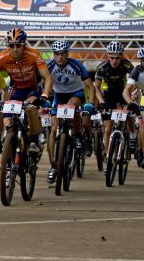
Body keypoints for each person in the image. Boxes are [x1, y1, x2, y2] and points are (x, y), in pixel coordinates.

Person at [0, 28, 53, 169]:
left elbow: (48, 77)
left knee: (31, 108)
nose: (15, 49)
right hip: (16, 89)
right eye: (11, 45)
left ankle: (33, 141)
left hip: (33, 89)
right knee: (6, 120)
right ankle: (9, 157)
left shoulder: (34, 54)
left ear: (24, 44)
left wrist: (44, 95)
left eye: (18, 45)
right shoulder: (2, 57)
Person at [45, 40, 96, 183]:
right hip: (58, 95)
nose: (59, 57)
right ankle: (54, 166)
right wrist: (43, 100)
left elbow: (90, 86)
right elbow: (42, 85)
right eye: (56, 54)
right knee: (54, 127)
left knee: (71, 105)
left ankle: (79, 135)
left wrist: (91, 103)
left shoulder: (76, 65)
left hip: (76, 93)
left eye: (62, 54)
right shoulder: (49, 66)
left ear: (68, 54)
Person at [94, 41, 135, 158]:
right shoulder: (102, 67)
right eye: (111, 58)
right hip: (108, 96)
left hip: (123, 94)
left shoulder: (127, 65)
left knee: (129, 114)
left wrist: (131, 98)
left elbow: (134, 83)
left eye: (117, 58)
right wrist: (101, 102)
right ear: (108, 56)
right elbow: (96, 87)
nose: (114, 61)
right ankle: (108, 155)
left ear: (122, 56)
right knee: (107, 127)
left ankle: (132, 138)